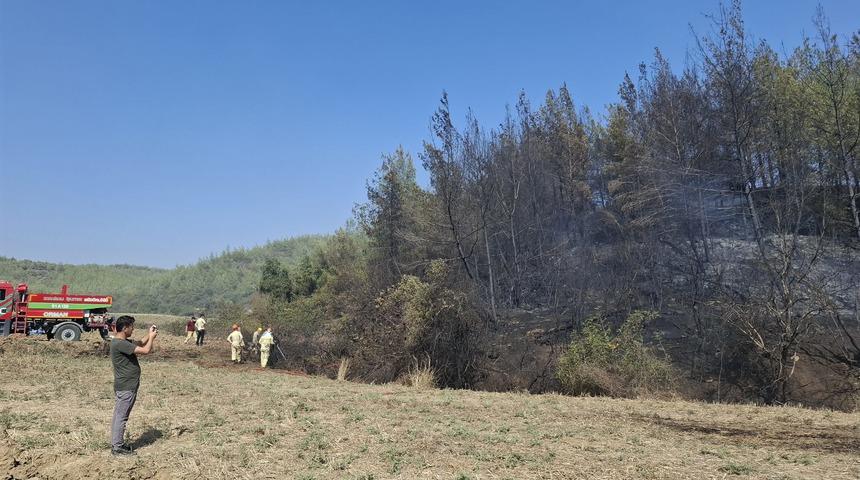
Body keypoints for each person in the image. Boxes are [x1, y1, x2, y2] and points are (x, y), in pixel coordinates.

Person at [109, 315, 157, 456]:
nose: (133, 329)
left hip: (124, 385)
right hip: (126, 386)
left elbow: (140, 343)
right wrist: (152, 338)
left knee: (119, 415)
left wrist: (149, 334)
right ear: (125, 328)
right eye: (132, 327)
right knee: (121, 417)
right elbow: (146, 350)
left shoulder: (121, 342)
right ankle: (117, 447)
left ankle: (117, 443)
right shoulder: (120, 344)